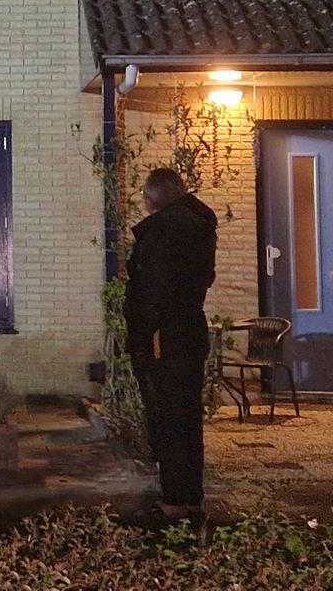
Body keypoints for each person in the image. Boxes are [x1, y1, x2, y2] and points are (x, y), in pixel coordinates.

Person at [123, 166, 218, 520]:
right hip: (188, 331)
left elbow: (153, 291)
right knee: (186, 416)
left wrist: (142, 333)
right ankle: (187, 493)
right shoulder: (199, 229)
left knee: (169, 417)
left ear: (151, 200)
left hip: (163, 338)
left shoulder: (163, 233)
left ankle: (177, 500)